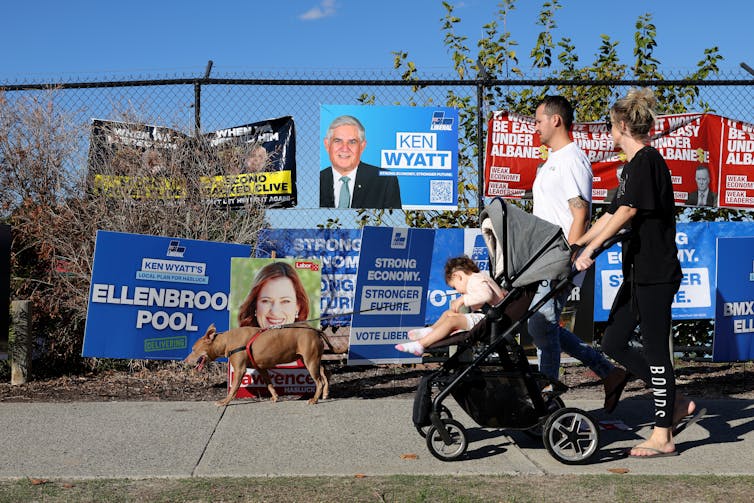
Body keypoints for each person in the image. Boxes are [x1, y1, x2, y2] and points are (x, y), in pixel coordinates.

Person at [574, 88, 700, 458]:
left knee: (657, 349)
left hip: (656, 273)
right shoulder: (633, 167)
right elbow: (613, 214)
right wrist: (580, 241)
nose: (609, 133)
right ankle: (673, 403)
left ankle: (664, 435)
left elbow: (627, 214)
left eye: (611, 126)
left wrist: (592, 251)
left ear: (623, 125)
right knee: (613, 341)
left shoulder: (646, 161)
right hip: (637, 273)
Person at [530, 95, 629, 411]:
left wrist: (567, 260)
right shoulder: (553, 161)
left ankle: (548, 398)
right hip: (541, 259)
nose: (536, 127)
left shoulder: (572, 159)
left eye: (538, 120)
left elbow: (580, 214)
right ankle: (608, 372)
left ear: (555, 120)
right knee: (540, 326)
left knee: (542, 327)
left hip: (558, 260)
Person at [394, 256, 506, 356]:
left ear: (457, 276)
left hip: (491, 319)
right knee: (448, 314)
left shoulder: (476, 279)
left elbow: (486, 295)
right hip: (487, 318)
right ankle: (431, 330)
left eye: (455, 287)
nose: (457, 291)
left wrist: (463, 299)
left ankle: (420, 345)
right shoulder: (477, 279)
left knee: (452, 321)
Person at [319, 115, 402, 209]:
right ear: (327, 144)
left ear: (362, 146)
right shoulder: (318, 181)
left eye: (352, 142)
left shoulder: (385, 181)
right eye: (338, 141)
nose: (345, 148)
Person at [238, 261, 311, 328]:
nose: (275, 312)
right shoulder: (235, 340)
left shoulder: (314, 340)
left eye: (285, 301)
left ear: (298, 307)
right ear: (254, 306)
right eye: (266, 301)